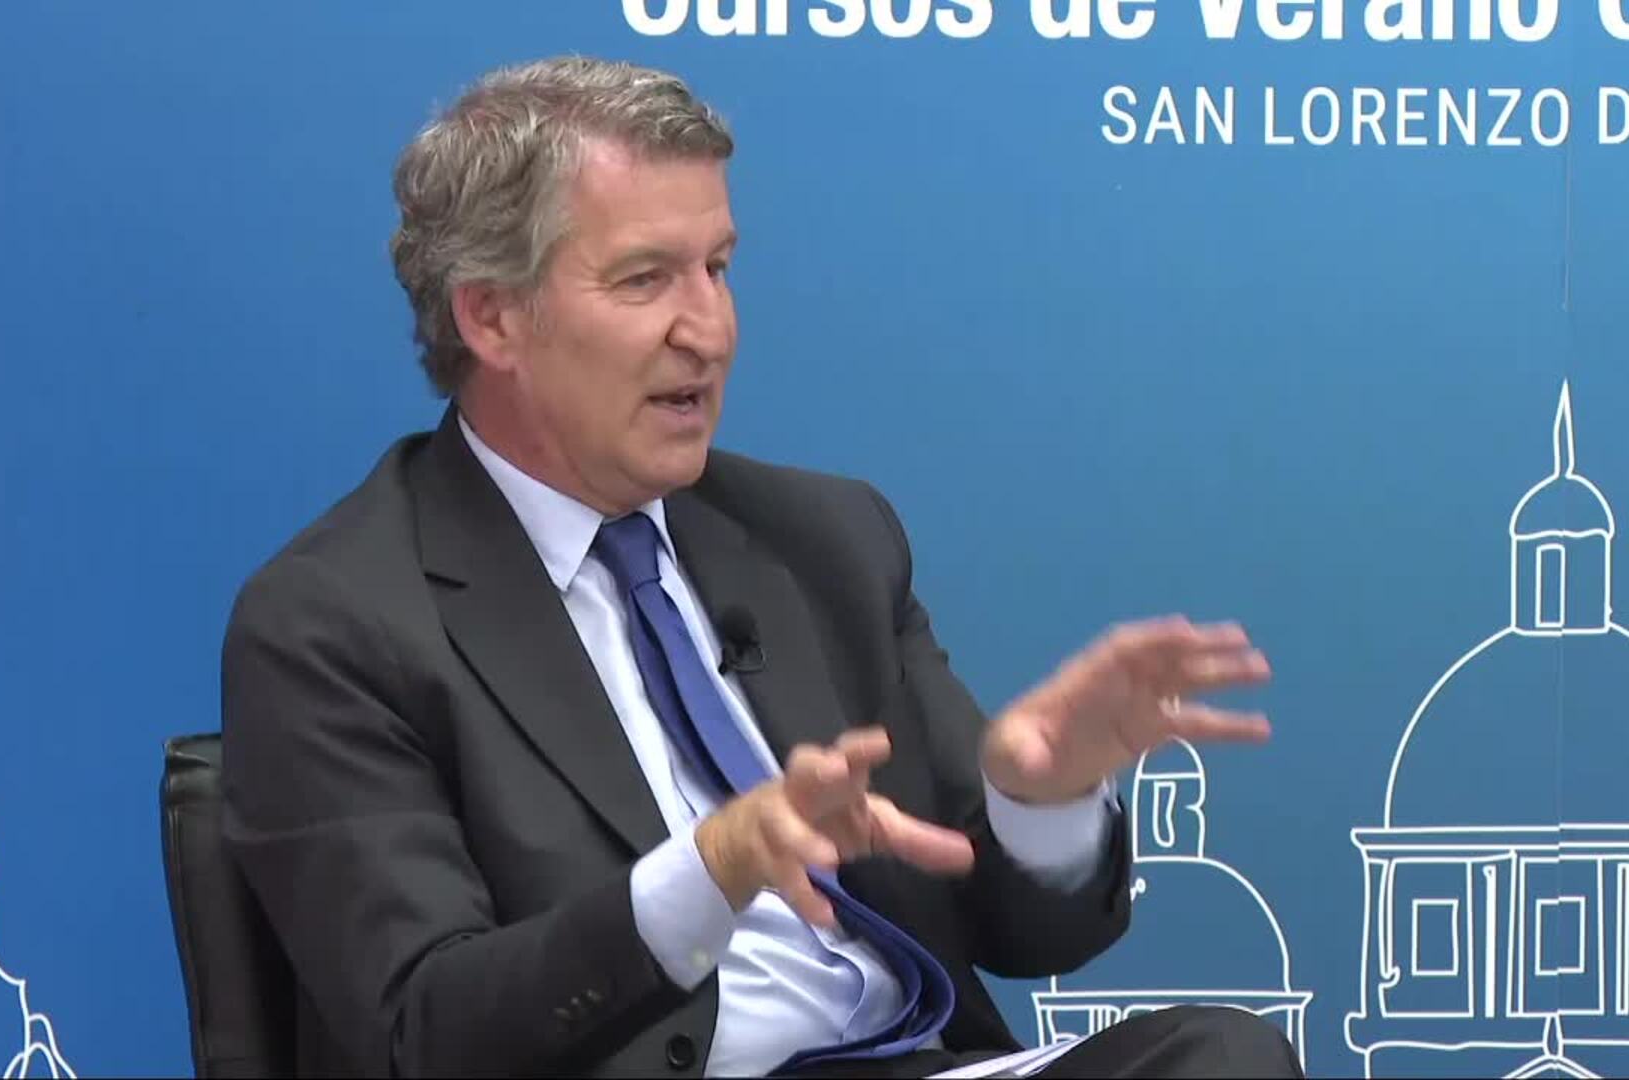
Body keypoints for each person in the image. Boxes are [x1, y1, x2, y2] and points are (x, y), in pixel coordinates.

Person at [219, 55, 1304, 1079]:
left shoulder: (823, 538)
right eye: (645, 279)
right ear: (493, 316)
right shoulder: (337, 622)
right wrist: (713, 869)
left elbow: (1028, 934)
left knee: (1221, 1060)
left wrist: (1042, 802)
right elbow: (423, 1033)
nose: (711, 328)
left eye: (719, 268)